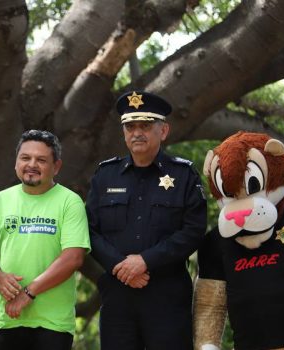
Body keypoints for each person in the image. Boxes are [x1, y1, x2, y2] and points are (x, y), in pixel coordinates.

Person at [86, 91, 207, 349]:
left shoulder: (184, 174)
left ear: (163, 131)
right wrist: (121, 266)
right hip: (118, 294)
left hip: (167, 295)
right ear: (123, 132)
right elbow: (89, 230)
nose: (136, 132)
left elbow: (193, 230)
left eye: (145, 126)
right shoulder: (105, 175)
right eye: (130, 126)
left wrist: (144, 261)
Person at [0, 130, 89, 350]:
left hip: (52, 323)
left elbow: (73, 258)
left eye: (41, 160)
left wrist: (29, 292)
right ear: (16, 163)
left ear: (56, 167)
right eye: (25, 158)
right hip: (7, 319)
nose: (32, 165)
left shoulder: (70, 202)